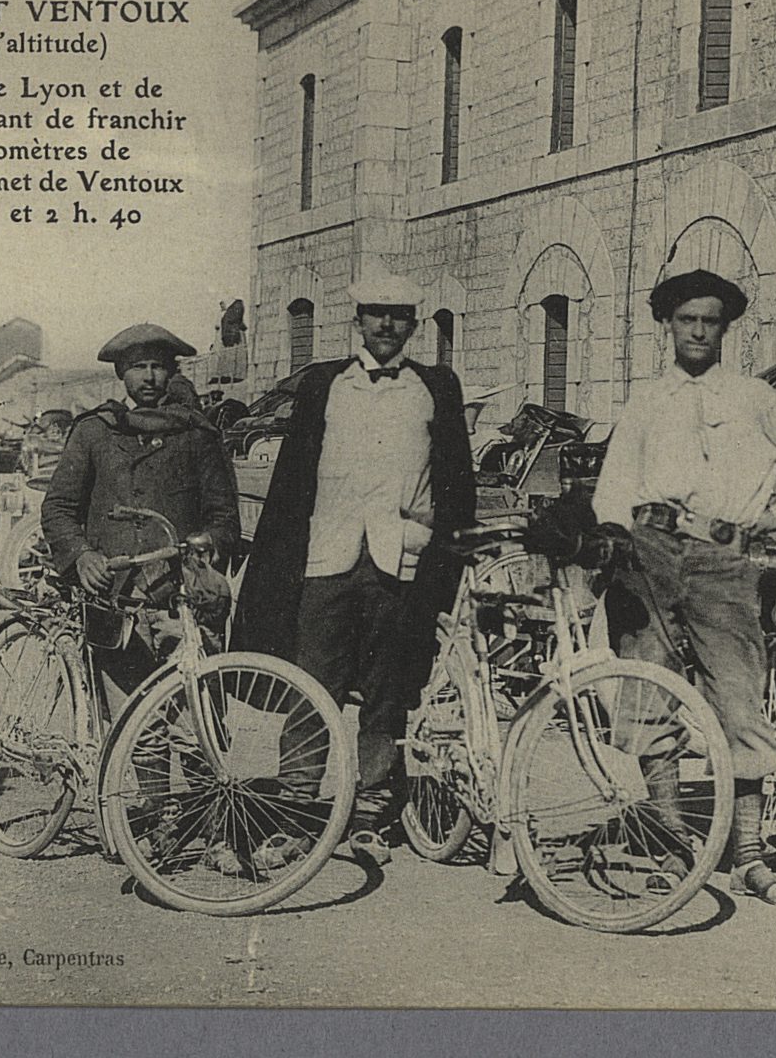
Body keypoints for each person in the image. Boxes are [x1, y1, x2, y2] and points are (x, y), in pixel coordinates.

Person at [592, 269, 776, 908]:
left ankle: (749, 857)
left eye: (710, 320)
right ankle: (677, 847)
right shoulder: (646, 400)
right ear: (668, 325)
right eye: (687, 320)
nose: (699, 331)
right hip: (648, 552)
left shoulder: (755, 398)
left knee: (738, 699)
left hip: (722, 560)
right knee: (650, 692)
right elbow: (615, 486)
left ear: (726, 328)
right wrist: (612, 541)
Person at [233, 269, 476, 867]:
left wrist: (443, 551)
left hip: (401, 557)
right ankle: (295, 810)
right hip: (327, 555)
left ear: (414, 325)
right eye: (376, 312)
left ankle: (370, 811)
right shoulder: (324, 384)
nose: (387, 324)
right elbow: (294, 479)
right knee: (312, 684)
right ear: (358, 320)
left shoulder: (435, 388)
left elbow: (456, 482)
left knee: (389, 691)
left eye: (399, 315)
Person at [40, 324, 240, 714]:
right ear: (121, 375)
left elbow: (225, 517)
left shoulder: (196, 434)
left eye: (158, 367)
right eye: (137, 367)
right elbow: (58, 507)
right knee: (137, 730)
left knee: (199, 728)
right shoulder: (94, 432)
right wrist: (82, 556)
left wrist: (209, 544)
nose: (148, 377)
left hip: (182, 602)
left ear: (172, 372)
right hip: (116, 603)